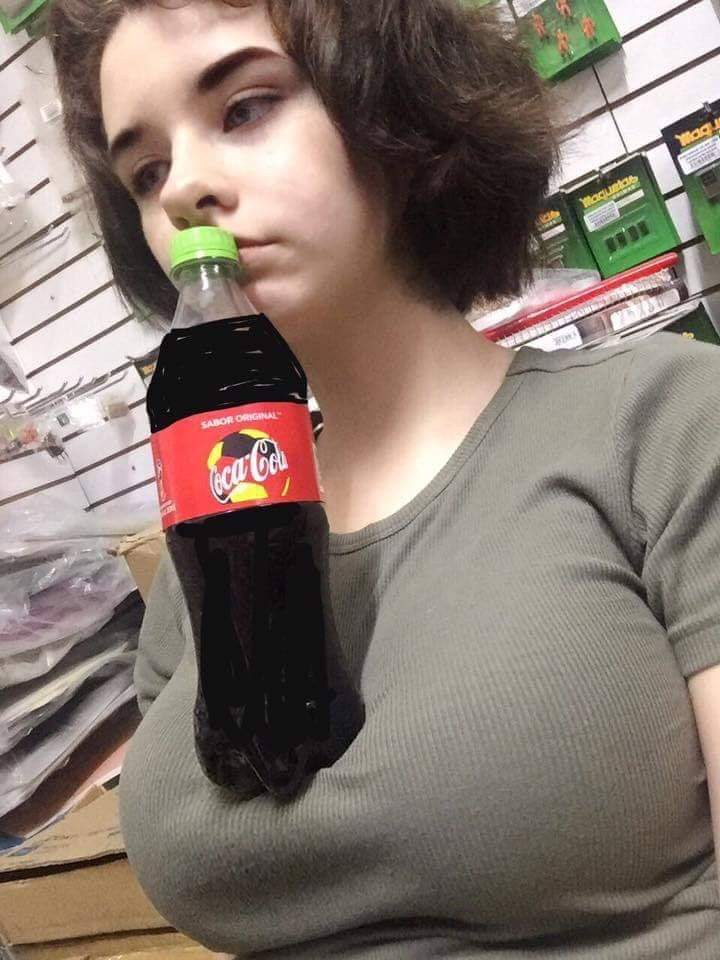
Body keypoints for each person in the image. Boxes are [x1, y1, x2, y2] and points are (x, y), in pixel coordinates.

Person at [48, 1, 720, 957]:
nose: (185, 188)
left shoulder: (666, 423)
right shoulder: (205, 530)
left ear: (391, 104)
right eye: (146, 173)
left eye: (245, 108)